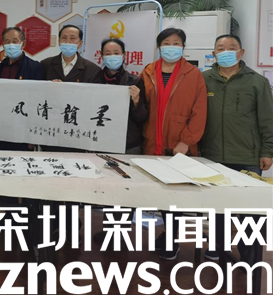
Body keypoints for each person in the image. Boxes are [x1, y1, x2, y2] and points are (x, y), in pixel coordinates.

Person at [201, 34, 273, 263]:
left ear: (241, 53)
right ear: (214, 53)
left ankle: (249, 254)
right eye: (221, 48)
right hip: (212, 156)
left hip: (247, 156)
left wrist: (267, 151)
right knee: (217, 208)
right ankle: (218, 249)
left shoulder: (257, 82)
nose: (226, 52)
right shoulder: (203, 80)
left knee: (250, 211)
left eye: (231, 48)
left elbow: (268, 119)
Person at [140, 27, 207, 260]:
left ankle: (172, 237)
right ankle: (166, 233)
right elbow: (142, 108)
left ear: (183, 47)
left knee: (177, 194)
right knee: (160, 193)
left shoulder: (193, 74)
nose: (171, 47)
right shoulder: (148, 71)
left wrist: (186, 141)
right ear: (159, 47)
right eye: (166, 43)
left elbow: (200, 111)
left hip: (179, 144)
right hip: (152, 141)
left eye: (176, 43)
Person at [92, 38, 148, 246]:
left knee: (125, 188)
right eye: (108, 53)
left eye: (116, 53)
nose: (112, 57)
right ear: (101, 56)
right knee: (107, 187)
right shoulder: (93, 80)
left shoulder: (135, 81)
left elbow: (142, 117)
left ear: (124, 55)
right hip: (101, 142)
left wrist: (136, 100)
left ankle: (121, 233)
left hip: (127, 144)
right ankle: (109, 230)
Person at [41, 24, 101, 152]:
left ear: (80, 44)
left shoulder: (92, 69)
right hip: (50, 129)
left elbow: (94, 101)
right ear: (59, 42)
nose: (68, 42)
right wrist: (48, 88)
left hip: (77, 131)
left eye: (72, 38)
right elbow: (36, 95)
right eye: (64, 38)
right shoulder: (45, 64)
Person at [0, 26, 42, 151]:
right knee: (4, 160)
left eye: (15, 41)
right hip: (3, 128)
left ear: (23, 44)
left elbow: (38, 100)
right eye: (7, 41)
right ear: (3, 45)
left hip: (25, 129)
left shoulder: (35, 67)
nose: (11, 45)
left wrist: (33, 134)